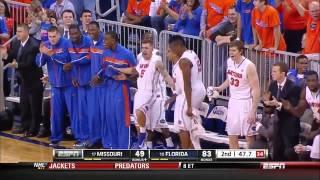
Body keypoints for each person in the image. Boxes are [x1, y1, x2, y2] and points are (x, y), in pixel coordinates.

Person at [111, 38, 176, 149]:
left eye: (147, 48)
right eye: (142, 47)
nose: (144, 50)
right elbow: (135, 71)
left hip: (153, 95)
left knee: (159, 122)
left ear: (152, 49)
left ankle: (169, 144)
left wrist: (174, 85)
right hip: (140, 93)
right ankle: (144, 144)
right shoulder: (140, 57)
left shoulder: (157, 60)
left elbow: (165, 75)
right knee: (139, 119)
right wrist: (119, 70)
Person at [210, 40, 260, 149]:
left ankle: (252, 162)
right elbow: (229, 79)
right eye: (230, 50)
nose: (231, 53)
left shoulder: (249, 66)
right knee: (232, 135)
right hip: (233, 102)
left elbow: (256, 89)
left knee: (249, 136)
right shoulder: (229, 62)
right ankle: (235, 161)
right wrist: (219, 88)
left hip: (246, 102)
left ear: (241, 51)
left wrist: (253, 110)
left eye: (233, 50)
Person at [36, 26, 76, 147]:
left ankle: (80, 138)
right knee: (56, 114)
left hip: (69, 84)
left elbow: (66, 61)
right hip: (55, 85)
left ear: (59, 35)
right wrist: (43, 53)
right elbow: (38, 63)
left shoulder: (66, 43)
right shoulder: (46, 45)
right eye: (50, 36)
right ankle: (55, 138)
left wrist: (51, 54)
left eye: (54, 36)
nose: (52, 39)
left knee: (74, 113)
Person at [0, 24, 43, 137]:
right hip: (24, 80)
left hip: (34, 80)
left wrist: (16, 65)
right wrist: (5, 56)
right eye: (17, 31)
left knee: (34, 107)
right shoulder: (16, 43)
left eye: (20, 31)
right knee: (24, 105)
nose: (17, 34)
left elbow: (30, 63)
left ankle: (34, 129)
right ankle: (24, 126)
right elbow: (11, 56)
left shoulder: (34, 45)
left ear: (26, 32)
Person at [167, 35, 206, 149]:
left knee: (182, 127)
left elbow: (187, 84)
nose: (172, 51)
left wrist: (189, 106)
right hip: (199, 89)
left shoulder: (183, 61)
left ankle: (186, 153)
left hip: (190, 93)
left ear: (178, 46)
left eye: (172, 48)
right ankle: (193, 152)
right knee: (191, 125)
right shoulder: (191, 53)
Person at [101, 31, 137, 149]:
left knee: (122, 120)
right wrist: (102, 76)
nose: (104, 42)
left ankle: (124, 149)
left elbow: (137, 72)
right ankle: (114, 148)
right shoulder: (105, 52)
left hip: (122, 88)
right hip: (108, 87)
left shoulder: (127, 54)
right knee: (110, 118)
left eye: (106, 40)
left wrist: (126, 77)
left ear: (114, 40)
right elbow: (103, 69)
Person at [263, 62, 301, 160]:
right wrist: (266, 102)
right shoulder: (272, 85)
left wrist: (278, 104)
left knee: (289, 154)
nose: (272, 73)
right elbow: (269, 107)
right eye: (272, 71)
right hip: (277, 124)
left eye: (275, 71)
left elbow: (292, 108)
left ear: (283, 74)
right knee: (277, 153)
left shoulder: (294, 88)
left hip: (290, 125)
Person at [66, 24, 91, 148]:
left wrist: (73, 63)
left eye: (76, 33)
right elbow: (71, 61)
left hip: (91, 84)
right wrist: (73, 76)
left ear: (81, 32)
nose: (74, 36)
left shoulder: (89, 42)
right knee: (81, 113)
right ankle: (84, 138)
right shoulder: (69, 43)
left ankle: (93, 139)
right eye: (72, 34)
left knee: (91, 113)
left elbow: (89, 58)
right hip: (79, 83)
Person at [87, 21, 105, 148]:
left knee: (104, 114)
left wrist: (99, 75)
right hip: (93, 84)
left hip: (104, 84)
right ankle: (95, 139)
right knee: (93, 113)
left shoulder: (106, 42)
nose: (92, 33)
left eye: (94, 30)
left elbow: (109, 62)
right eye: (90, 30)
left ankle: (105, 140)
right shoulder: (89, 42)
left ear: (99, 29)